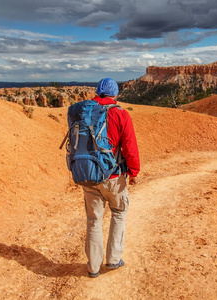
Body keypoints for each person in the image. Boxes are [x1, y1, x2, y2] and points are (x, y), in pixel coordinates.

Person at [83, 78, 140, 278]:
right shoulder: (120, 113)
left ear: (98, 92)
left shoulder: (86, 112)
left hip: (89, 175)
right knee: (118, 212)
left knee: (93, 220)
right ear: (115, 95)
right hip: (113, 176)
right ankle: (113, 260)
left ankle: (93, 268)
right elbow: (130, 146)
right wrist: (133, 172)